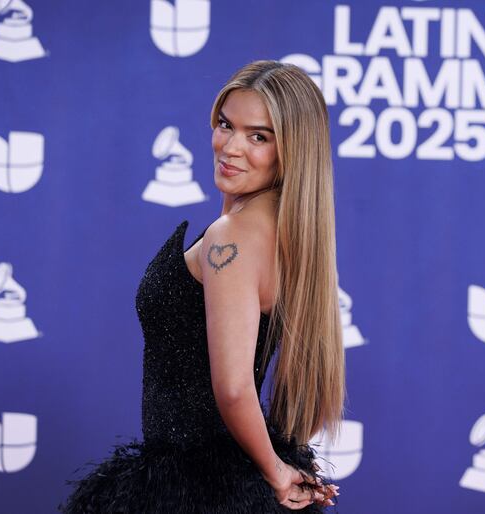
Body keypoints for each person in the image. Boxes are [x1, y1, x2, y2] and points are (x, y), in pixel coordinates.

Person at [59, 60, 345, 512]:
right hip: (227, 481)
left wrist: (275, 472)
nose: (230, 147)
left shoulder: (232, 236)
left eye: (258, 136)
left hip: (199, 490)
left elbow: (233, 387)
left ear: (293, 150)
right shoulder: (284, 233)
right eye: (225, 125)